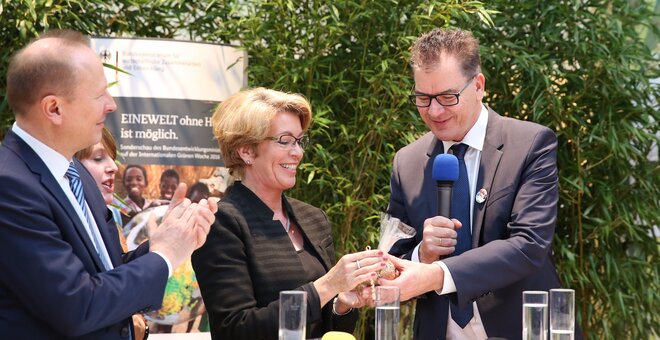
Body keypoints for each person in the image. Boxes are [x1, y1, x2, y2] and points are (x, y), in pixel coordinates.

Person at [0, 29, 218, 339]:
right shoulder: (10, 186)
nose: (111, 104)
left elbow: (107, 273)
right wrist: (165, 255)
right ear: (54, 108)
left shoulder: (74, 172)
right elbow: (78, 305)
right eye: (99, 94)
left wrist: (166, 238)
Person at [380, 28, 581, 339]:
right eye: (423, 98)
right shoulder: (406, 162)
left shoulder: (530, 144)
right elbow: (393, 258)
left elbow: (529, 245)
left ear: (478, 86)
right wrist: (423, 253)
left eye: (447, 97)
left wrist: (437, 275)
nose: (434, 111)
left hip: (522, 328)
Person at [191, 87, 387, 339]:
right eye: (284, 140)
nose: (298, 152)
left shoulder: (313, 219)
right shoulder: (221, 223)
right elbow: (236, 329)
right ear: (246, 150)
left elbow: (329, 328)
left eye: (299, 140)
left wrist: (341, 304)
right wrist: (327, 286)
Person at [74, 128, 149, 340]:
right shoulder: (52, 221)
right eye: (98, 158)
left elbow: (118, 269)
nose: (113, 168)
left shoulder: (108, 218)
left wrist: (163, 245)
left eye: (112, 158)